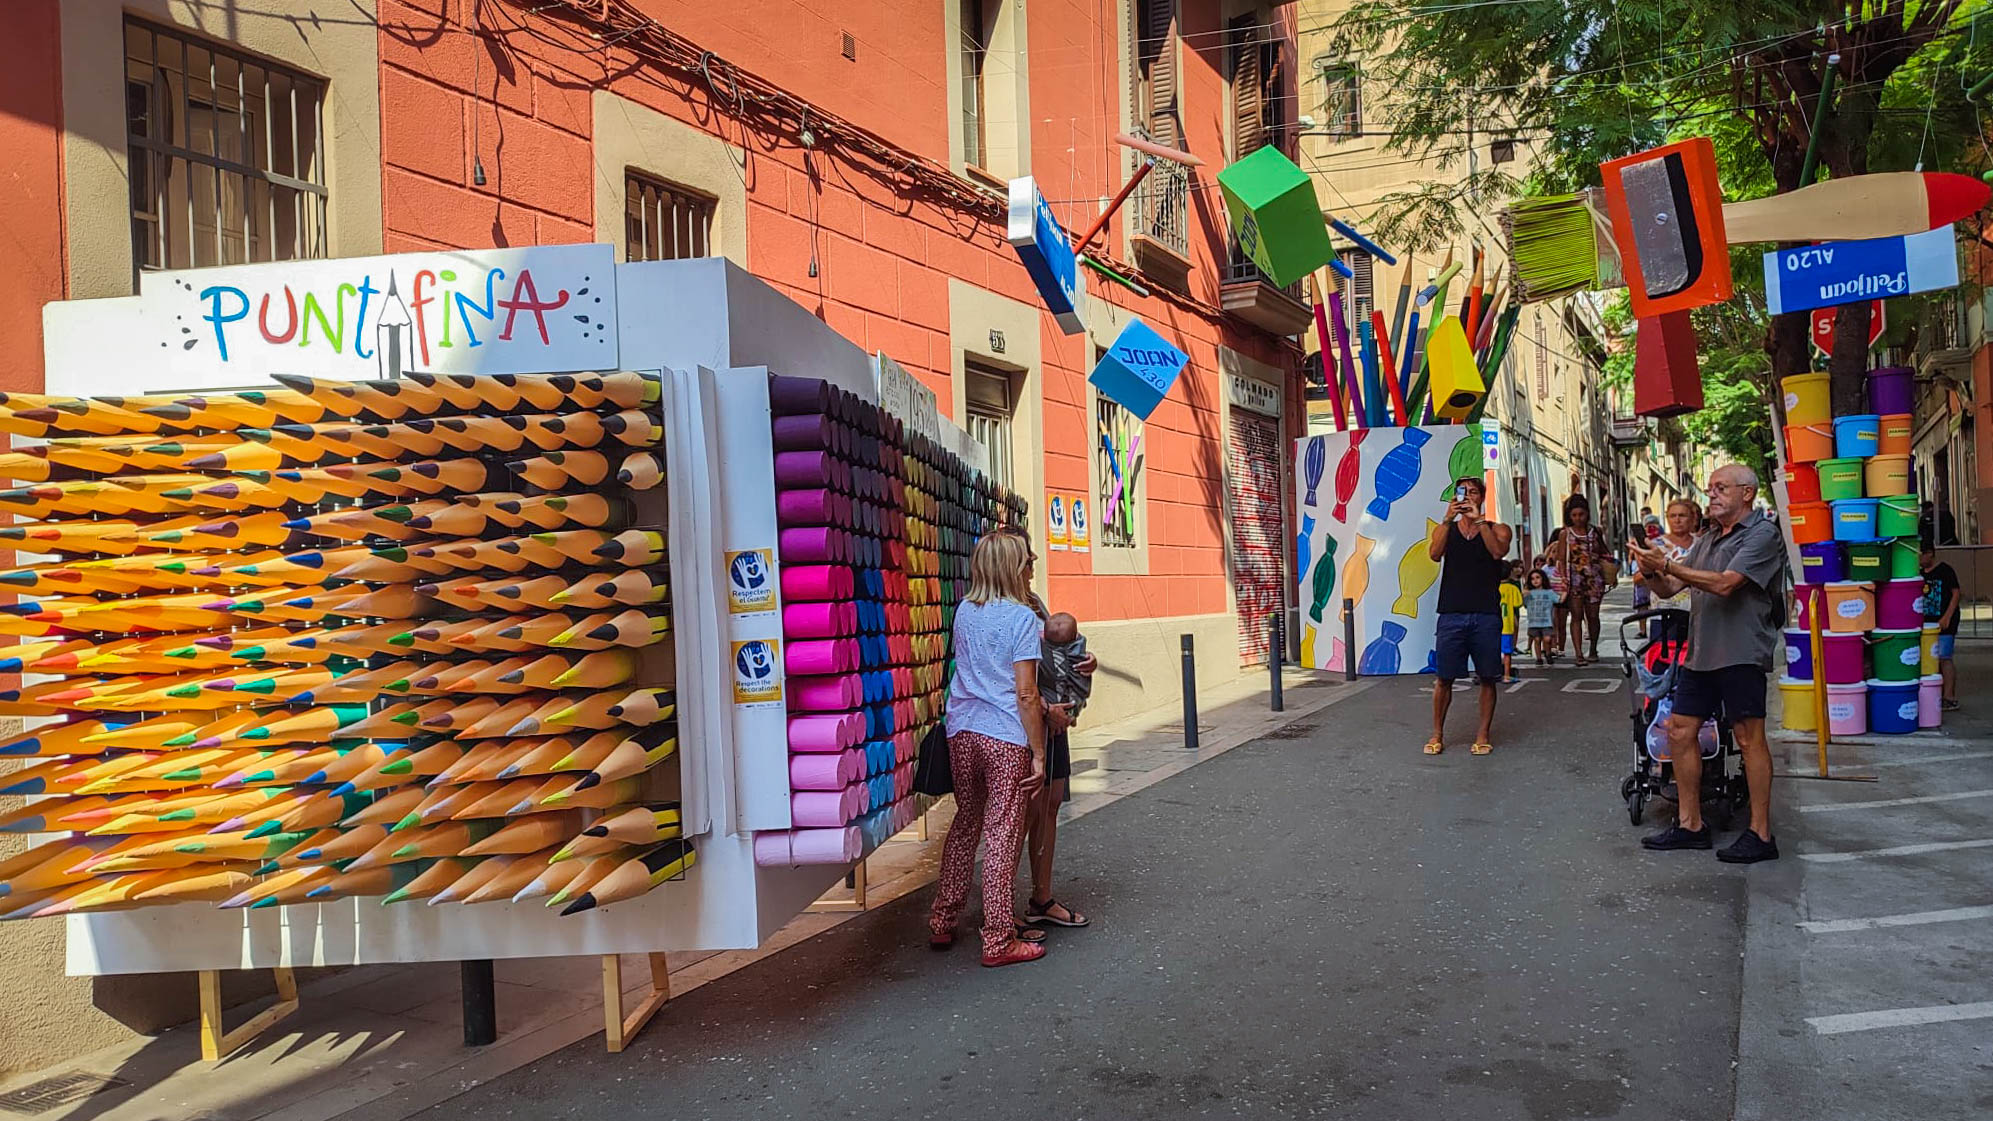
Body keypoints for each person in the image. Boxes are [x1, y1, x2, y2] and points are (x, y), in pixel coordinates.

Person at [1627, 464, 1786, 863]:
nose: (1711, 495)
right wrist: (1650, 569)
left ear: (1747, 494)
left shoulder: (1763, 535)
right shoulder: (1709, 538)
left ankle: (1761, 834)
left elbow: (1725, 584)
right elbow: (1672, 587)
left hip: (1740, 651)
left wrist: (1667, 565)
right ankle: (1690, 824)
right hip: (1701, 652)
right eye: (1710, 488)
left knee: (1749, 739)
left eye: (1721, 488)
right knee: (1680, 731)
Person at [928, 531, 1055, 966]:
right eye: (1025, 561)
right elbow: (1024, 692)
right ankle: (999, 938)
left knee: (966, 823)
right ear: (1011, 568)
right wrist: (1038, 753)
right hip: (1004, 735)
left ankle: (943, 919)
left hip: (962, 730)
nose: (1030, 567)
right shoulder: (1022, 618)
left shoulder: (965, 611)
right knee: (1002, 834)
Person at [1423, 476, 1514, 755]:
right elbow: (1434, 554)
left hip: (1485, 613)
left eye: (1474, 492)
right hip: (1451, 613)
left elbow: (1498, 552)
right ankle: (1437, 733)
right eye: (1463, 492)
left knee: (1487, 677)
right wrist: (1448, 519)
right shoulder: (1447, 529)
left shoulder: (1497, 528)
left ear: (1482, 498)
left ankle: (1483, 734)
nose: (1468, 497)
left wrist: (1478, 522)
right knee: (1444, 677)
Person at [1024, 609, 1093, 930]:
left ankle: (1042, 897)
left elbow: (1066, 651)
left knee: (1048, 807)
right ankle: (1000, 912)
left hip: (1054, 726)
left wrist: (1087, 663)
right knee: (1027, 813)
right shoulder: (1004, 609)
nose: (1033, 561)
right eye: (1026, 560)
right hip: (1027, 726)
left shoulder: (1034, 604)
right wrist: (1044, 707)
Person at [1548, 495, 1610, 665]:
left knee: (1593, 616)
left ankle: (1593, 648)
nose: (1577, 518)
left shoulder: (1595, 531)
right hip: (1574, 579)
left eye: (1581, 514)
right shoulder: (1565, 534)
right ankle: (1578, 653)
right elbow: (1560, 559)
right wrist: (1562, 581)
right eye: (1574, 515)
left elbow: (1605, 553)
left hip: (1594, 579)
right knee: (1576, 615)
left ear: (1587, 514)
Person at [1637, 499, 1700, 641]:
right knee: (1663, 656)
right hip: (1663, 613)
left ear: (1692, 518)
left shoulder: (1702, 544)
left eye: (1682, 515)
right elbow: (1638, 577)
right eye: (1673, 516)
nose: (1677, 520)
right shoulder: (1654, 545)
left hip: (1696, 614)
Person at [1920, 547, 1961, 711]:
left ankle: (1949, 696)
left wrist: (1947, 617)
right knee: (1929, 659)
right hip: (1926, 623)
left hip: (1944, 622)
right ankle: (1934, 694)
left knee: (1945, 657)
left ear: (1929, 553)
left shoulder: (1945, 570)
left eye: (1921, 554)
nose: (1919, 558)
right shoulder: (1918, 573)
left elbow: (1956, 593)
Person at [1523, 568, 1558, 666]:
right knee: (1537, 639)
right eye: (1532, 579)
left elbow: (1558, 599)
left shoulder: (1549, 592)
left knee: (1547, 639)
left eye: (1538, 577)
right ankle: (1539, 658)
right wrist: (1525, 595)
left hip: (1546, 621)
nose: (1535, 580)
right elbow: (1525, 604)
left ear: (1543, 579)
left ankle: (1547, 653)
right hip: (1534, 621)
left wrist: (1564, 591)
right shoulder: (1529, 593)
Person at [1498, 562, 1524, 683]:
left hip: (1493, 625)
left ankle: (1494, 673)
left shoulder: (1492, 587)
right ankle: (1507, 675)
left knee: (1494, 651)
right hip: (1507, 625)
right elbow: (1518, 604)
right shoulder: (1512, 588)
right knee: (1507, 652)